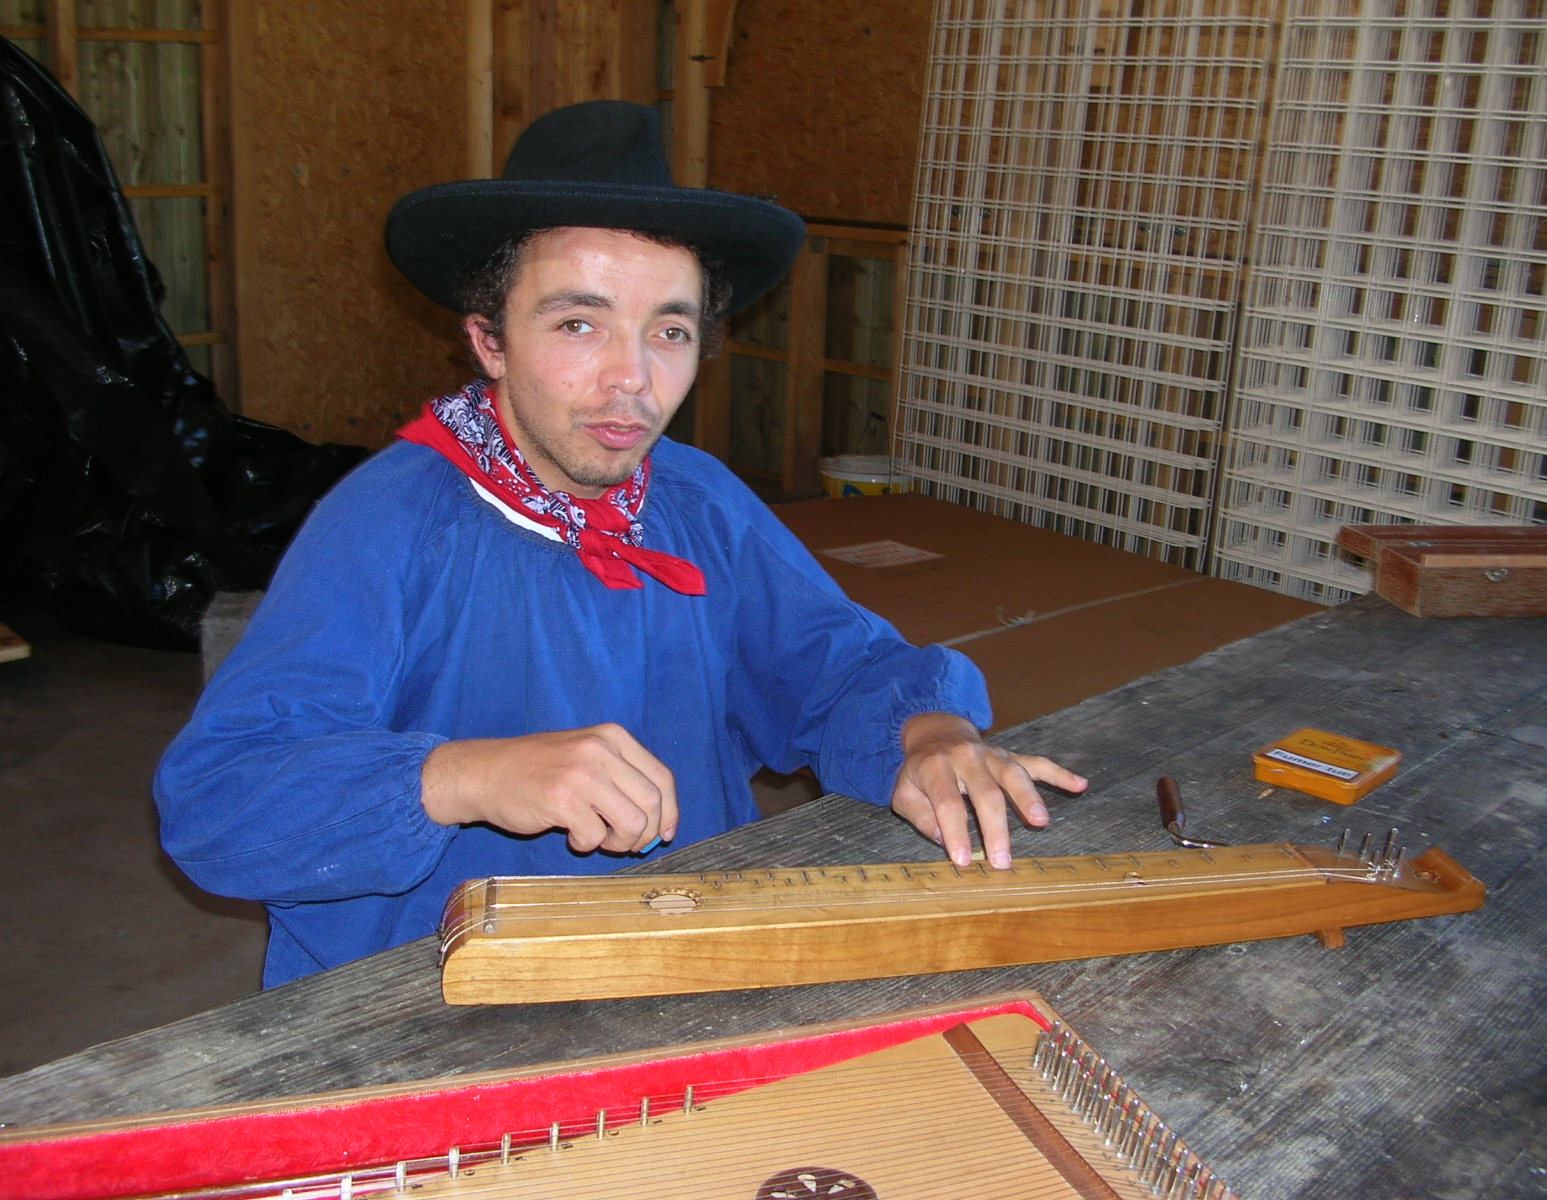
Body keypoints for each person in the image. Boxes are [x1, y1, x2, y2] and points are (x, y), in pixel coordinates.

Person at [154, 100, 1086, 988]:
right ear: (489, 339)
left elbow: (832, 667)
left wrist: (930, 733)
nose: (630, 380)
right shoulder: (391, 524)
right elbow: (219, 803)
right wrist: (465, 774)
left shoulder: (696, 500)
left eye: (668, 331)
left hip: (685, 954)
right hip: (436, 998)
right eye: (578, 323)